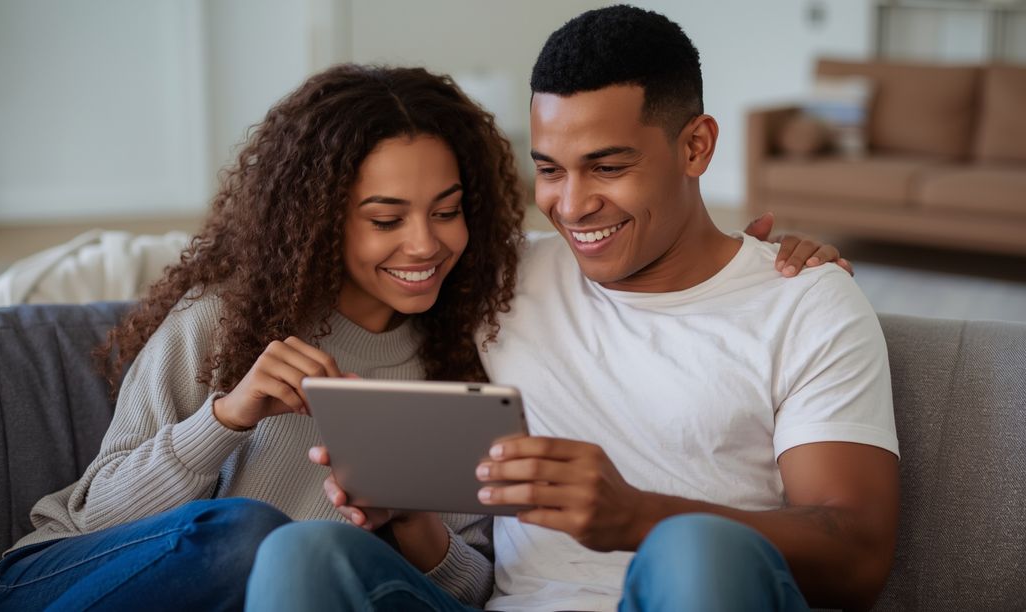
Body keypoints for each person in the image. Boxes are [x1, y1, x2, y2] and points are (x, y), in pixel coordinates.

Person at [270, 6, 899, 612]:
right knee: (303, 551)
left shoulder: (806, 302)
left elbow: (859, 561)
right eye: (549, 170)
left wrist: (639, 516)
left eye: (607, 167)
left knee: (693, 548)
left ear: (696, 148)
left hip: (694, 586)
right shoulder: (501, 275)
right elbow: (349, 254)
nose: (571, 206)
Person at [0, 64, 526, 611]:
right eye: (386, 220)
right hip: (67, 580)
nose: (425, 244)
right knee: (252, 534)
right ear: (319, 219)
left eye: (447, 212)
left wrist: (414, 519)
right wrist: (225, 419)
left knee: (298, 552)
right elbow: (96, 515)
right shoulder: (222, 319)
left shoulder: (464, 356)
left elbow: (472, 593)